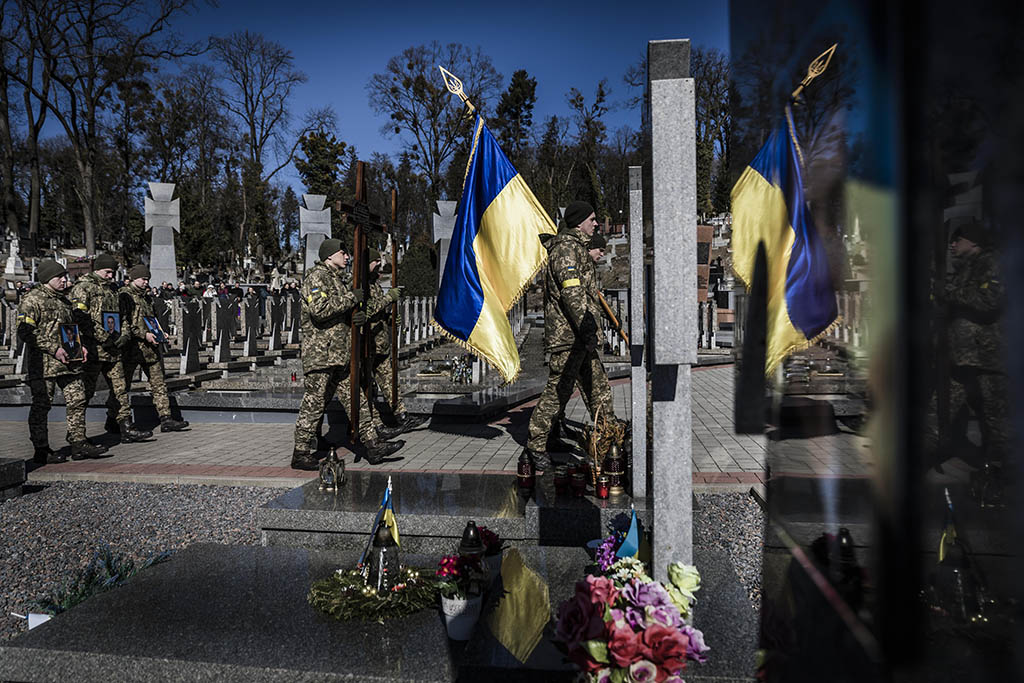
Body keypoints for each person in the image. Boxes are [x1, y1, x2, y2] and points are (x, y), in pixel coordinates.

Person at [291, 239, 404, 470]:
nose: (347, 257)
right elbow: (320, 310)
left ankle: (373, 445)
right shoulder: (316, 277)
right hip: (321, 355)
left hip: (340, 354)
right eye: (342, 253)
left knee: (356, 399)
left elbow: (342, 311)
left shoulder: (338, 280)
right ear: (329, 256)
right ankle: (301, 452)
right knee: (314, 402)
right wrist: (352, 298)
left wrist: (356, 318)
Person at [523, 201, 617, 474]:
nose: (596, 224)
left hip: (581, 336)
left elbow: (586, 295)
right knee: (558, 391)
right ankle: (536, 445)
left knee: (598, 388)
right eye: (592, 219)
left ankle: (610, 441)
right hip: (569, 336)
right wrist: (587, 330)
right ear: (578, 222)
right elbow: (572, 294)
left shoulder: (576, 248)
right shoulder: (565, 250)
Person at [18, 259, 108, 462]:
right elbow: (26, 332)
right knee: (42, 406)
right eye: (59, 277)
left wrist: (80, 346)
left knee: (78, 400)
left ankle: (78, 442)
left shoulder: (65, 302)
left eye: (64, 276)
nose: (64, 280)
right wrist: (54, 349)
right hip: (45, 365)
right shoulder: (32, 300)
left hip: (70, 362)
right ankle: (41, 449)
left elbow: (71, 330)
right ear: (47, 278)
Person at [945, 222, 1008, 501]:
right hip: (964, 358)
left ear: (973, 241)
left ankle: (998, 478)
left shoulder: (992, 263)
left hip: (987, 359)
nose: (952, 244)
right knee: (940, 412)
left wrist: (949, 292)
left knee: (994, 421)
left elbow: (990, 299)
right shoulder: (966, 267)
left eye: (957, 239)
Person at [70, 254, 151, 443]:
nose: (111, 276)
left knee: (120, 390)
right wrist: (104, 338)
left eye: (113, 272)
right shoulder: (83, 287)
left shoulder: (113, 289)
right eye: (107, 272)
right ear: (97, 269)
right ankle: (76, 434)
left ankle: (126, 427)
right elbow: (81, 317)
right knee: (86, 393)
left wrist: (124, 334)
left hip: (114, 350)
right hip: (93, 350)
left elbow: (122, 315)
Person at [119, 265, 190, 433]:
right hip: (132, 349)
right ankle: (114, 419)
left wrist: (160, 332)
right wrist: (144, 334)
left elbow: (152, 319)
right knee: (122, 387)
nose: (146, 282)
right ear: (134, 278)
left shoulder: (147, 297)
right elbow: (124, 323)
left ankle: (166, 419)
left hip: (150, 349)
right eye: (143, 279)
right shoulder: (124, 296)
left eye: (148, 279)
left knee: (159, 384)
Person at [365, 248, 426, 433]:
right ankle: (375, 424)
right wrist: (387, 299)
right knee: (367, 387)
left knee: (390, 382)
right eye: (375, 261)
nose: (379, 265)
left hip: (381, 343)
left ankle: (401, 415)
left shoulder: (374, 285)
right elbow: (366, 310)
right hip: (367, 345)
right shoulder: (359, 285)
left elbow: (378, 312)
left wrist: (390, 318)